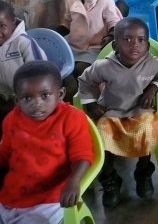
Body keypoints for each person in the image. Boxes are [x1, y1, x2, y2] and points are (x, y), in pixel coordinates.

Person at [78, 18, 158, 207]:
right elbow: (85, 81)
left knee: (148, 129)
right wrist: (90, 103)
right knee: (101, 133)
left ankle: (143, 171)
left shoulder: (153, 64)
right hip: (112, 112)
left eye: (141, 40)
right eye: (127, 39)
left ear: (147, 43)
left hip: (141, 111)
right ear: (115, 44)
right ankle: (110, 180)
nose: (134, 45)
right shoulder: (104, 66)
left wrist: (153, 88)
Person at [0, 61, 93, 224]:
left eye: (45, 95)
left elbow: (83, 155)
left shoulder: (71, 118)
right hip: (13, 193)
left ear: (61, 94)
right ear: (17, 100)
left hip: (51, 197)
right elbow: (6, 155)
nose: (37, 103)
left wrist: (74, 181)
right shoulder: (11, 120)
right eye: (27, 97)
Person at [54, 0, 123, 102]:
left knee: (81, 69)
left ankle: (91, 101)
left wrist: (110, 36)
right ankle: (73, 98)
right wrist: (57, 31)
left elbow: (113, 22)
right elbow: (68, 22)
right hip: (75, 46)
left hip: (96, 47)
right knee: (60, 68)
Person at [0, 0, 46, 135]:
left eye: (2, 26)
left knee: (19, 130)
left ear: (13, 23)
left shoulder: (23, 44)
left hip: (27, 98)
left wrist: (22, 99)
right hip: (4, 98)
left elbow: (41, 74)